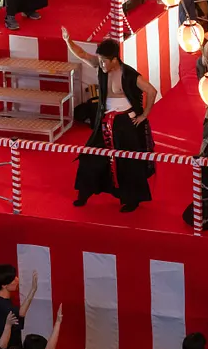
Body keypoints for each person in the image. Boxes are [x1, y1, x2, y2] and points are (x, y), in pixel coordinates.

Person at [63, 30, 158, 212]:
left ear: (115, 59)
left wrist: (144, 114)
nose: (101, 64)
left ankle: (132, 199)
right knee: (90, 156)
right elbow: (82, 54)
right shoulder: (101, 66)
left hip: (126, 123)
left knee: (129, 162)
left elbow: (152, 91)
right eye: (100, 60)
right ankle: (84, 193)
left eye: (104, 61)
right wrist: (68, 40)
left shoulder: (130, 74)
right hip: (104, 120)